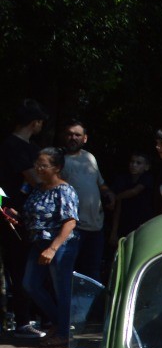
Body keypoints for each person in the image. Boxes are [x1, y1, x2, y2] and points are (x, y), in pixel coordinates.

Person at [19, 147, 79, 348]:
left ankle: (63, 333)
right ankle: (60, 322)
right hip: (38, 243)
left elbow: (70, 222)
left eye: (43, 165)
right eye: (37, 164)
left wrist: (53, 249)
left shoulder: (65, 191)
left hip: (60, 245)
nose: (38, 168)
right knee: (30, 284)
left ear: (57, 167)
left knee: (61, 289)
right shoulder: (37, 189)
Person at [2, 100, 46, 335]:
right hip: (12, 216)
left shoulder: (31, 147)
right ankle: (22, 321)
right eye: (40, 122)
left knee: (30, 266)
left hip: (30, 217)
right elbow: (35, 179)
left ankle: (32, 316)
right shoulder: (11, 146)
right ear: (34, 122)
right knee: (19, 267)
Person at [60, 119, 112, 284]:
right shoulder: (59, 161)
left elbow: (100, 183)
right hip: (73, 227)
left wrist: (109, 194)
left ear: (85, 138)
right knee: (68, 273)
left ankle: (93, 309)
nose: (73, 138)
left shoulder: (89, 157)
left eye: (77, 135)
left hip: (96, 226)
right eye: (69, 134)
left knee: (92, 273)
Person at [110, 152, 158, 241]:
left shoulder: (147, 178)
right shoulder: (123, 180)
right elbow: (118, 208)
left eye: (138, 163)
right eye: (132, 162)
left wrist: (116, 197)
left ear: (147, 167)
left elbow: (135, 191)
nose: (134, 165)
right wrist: (114, 231)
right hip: (125, 224)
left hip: (143, 224)